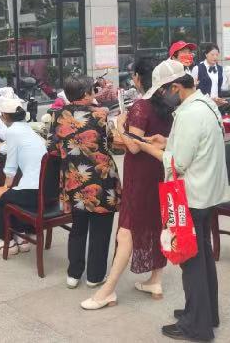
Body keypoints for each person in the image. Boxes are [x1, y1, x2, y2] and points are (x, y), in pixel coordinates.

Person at [131, 60, 227, 341]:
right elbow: (195, 145)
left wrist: (147, 147)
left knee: (190, 261)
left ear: (175, 87)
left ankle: (196, 326)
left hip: (192, 194)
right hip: (207, 191)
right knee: (203, 257)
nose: (162, 98)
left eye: (162, 92)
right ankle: (206, 313)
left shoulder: (188, 114)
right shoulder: (205, 104)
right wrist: (167, 140)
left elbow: (178, 162)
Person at [83, 58, 173, 309]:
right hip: (159, 170)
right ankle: (155, 280)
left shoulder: (141, 106)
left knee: (126, 231)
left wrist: (120, 125)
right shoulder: (166, 105)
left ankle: (107, 290)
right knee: (155, 223)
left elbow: (133, 146)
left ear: (137, 78)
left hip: (140, 175)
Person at [47, 77, 121, 298]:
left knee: (78, 228)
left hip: (73, 179)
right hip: (101, 178)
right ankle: (95, 276)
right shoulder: (100, 114)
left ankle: (73, 273)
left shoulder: (57, 115)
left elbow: (52, 148)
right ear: (87, 93)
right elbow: (111, 143)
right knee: (101, 229)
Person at [0, 99, 45, 256]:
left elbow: (11, 167)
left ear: (5, 116)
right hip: (45, 192)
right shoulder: (27, 129)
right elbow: (8, 147)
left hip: (31, 193)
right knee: (11, 195)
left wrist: (5, 187)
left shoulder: (12, 131)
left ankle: (7, 243)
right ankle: (22, 239)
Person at [191, 43, 230, 108]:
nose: (215, 57)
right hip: (202, 105)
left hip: (217, 105)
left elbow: (224, 87)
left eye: (217, 55)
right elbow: (192, 89)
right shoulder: (197, 68)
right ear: (206, 54)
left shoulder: (221, 69)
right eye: (212, 54)